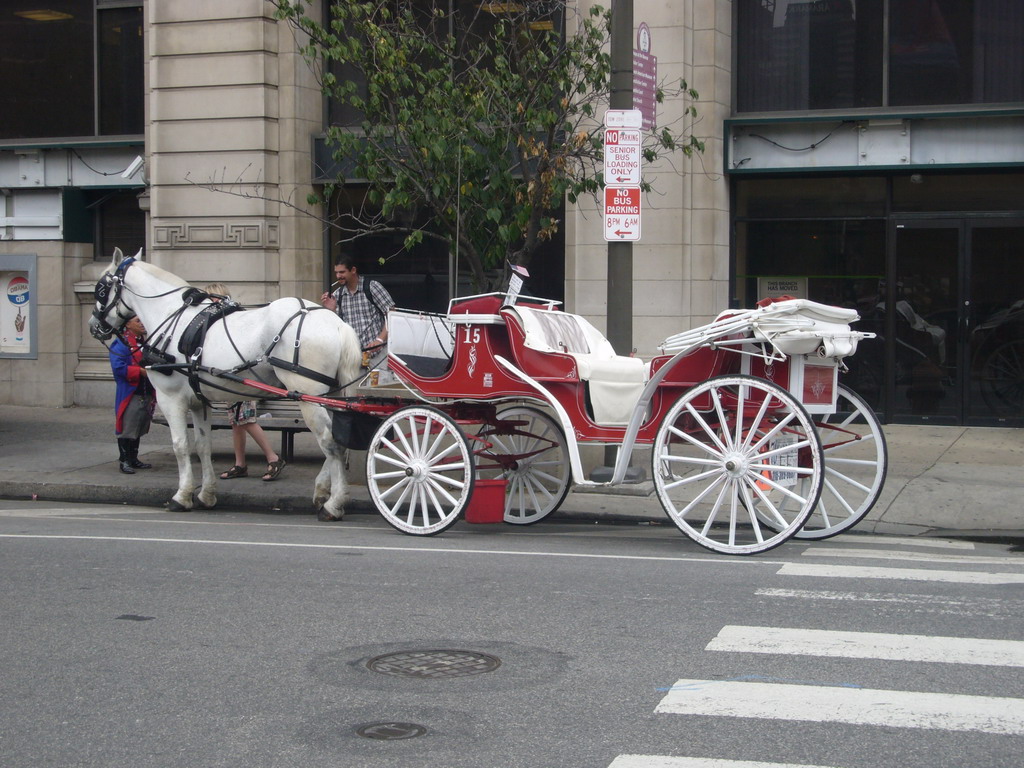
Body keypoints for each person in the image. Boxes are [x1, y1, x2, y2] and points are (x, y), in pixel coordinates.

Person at [203, 283, 286, 482]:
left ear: (219, 298)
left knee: (246, 420)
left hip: (241, 378)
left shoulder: (228, 318)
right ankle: (240, 463)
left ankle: (273, 458)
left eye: (210, 298)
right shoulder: (221, 318)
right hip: (230, 377)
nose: (207, 303)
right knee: (237, 422)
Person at [319, 256, 395, 361]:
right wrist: (332, 310)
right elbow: (338, 329)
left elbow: (392, 315)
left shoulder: (372, 287)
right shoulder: (337, 295)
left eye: (342, 272)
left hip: (379, 356)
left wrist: (380, 340)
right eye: (336, 272)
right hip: (354, 360)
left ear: (353, 270)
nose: (338, 276)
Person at [109, 315, 156, 474]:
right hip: (131, 392)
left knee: (139, 426)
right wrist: (140, 371)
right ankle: (124, 460)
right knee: (127, 427)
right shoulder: (120, 344)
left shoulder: (144, 342)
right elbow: (118, 368)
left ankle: (133, 458)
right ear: (128, 324)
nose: (142, 323)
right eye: (138, 321)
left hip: (146, 391)